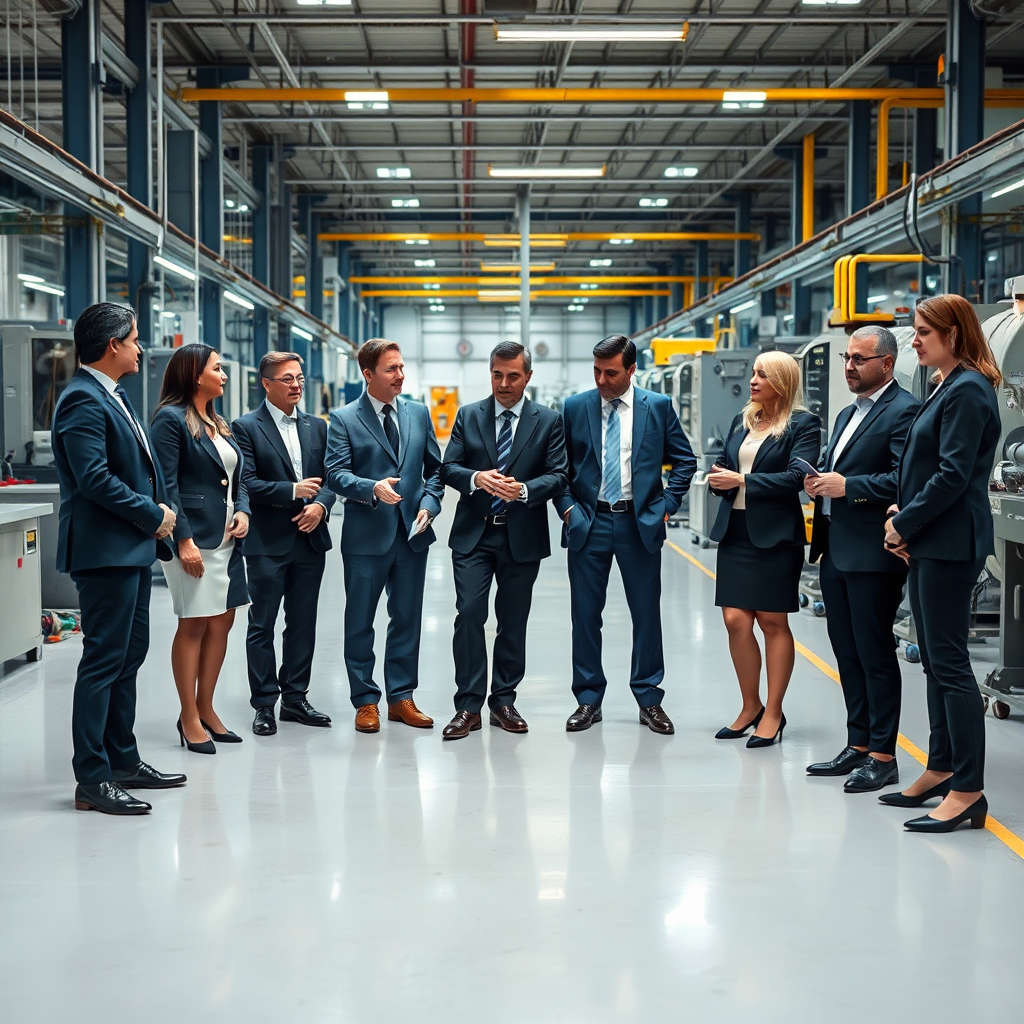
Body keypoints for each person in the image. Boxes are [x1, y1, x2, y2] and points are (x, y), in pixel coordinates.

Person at [51, 303, 186, 815]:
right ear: (112, 346)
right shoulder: (82, 399)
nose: (139, 347)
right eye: (133, 340)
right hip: (104, 551)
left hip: (126, 549)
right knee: (103, 662)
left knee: (128, 657)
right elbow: (94, 479)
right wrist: (153, 514)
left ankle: (123, 759)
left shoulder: (115, 394)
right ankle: (91, 778)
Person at [882, 294, 1001, 833]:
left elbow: (953, 475)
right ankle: (942, 767)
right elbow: (925, 465)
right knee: (932, 657)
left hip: (952, 543)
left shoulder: (969, 390)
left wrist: (905, 523)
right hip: (934, 537)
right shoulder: (944, 386)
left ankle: (968, 791)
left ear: (953, 334)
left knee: (950, 665)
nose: (914, 341)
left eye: (923, 333)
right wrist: (904, 512)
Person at [555, 334, 696, 734]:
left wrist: (665, 507)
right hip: (589, 521)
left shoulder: (658, 407)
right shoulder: (576, 406)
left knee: (646, 614)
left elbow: (684, 460)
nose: (601, 379)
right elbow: (559, 468)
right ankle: (588, 699)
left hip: (639, 523)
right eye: (596, 371)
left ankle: (649, 698)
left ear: (631, 370)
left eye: (611, 372)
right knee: (584, 616)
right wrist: (568, 510)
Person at [804, 327, 920, 791]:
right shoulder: (847, 413)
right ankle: (857, 745)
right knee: (847, 653)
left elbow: (901, 481)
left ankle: (884, 755)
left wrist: (846, 486)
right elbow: (841, 466)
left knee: (874, 654)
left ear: (887, 364)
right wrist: (819, 482)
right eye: (846, 358)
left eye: (859, 359)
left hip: (874, 552)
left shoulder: (904, 411)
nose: (849, 366)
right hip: (835, 548)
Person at [439, 342, 568, 739]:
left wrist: (526, 491)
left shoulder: (548, 421)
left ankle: (503, 702)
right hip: (474, 534)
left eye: (513, 376)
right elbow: (449, 467)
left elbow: (560, 474)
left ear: (528, 377)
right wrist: (476, 478)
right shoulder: (468, 414)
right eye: (497, 374)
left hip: (521, 536)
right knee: (470, 614)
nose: (503, 383)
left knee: (513, 621)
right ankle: (468, 706)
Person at [325, 338, 445, 733]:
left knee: (406, 618)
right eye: (391, 369)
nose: (400, 375)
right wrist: (371, 488)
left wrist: (430, 503)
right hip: (366, 537)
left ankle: (401, 698)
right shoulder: (343, 419)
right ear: (368, 374)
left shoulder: (418, 413)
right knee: (360, 620)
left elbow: (436, 471)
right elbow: (336, 474)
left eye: (401, 367)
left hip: (411, 534)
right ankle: (365, 700)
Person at [707, 351, 821, 748]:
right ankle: (749, 705)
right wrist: (719, 479)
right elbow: (723, 464)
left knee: (773, 623)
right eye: (754, 373)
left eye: (762, 375)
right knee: (735, 620)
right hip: (736, 532)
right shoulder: (745, 420)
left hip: (774, 536)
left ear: (783, 381)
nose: (753, 381)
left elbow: (795, 477)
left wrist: (742, 480)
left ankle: (773, 712)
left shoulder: (804, 424)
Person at [150, 345, 250, 755]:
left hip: (227, 539)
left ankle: (207, 707)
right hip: (193, 540)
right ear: (194, 375)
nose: (224, 375)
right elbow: (165, 486)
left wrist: (243, 510)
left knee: (222, 622)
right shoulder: (170, 421)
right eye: (218, 368)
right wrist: (183, 540)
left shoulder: (217, 422)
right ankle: (188, 715)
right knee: (193, 624)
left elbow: (237, 477)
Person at [232, 352, 336, 736]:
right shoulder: (245, 427)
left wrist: (321, 508)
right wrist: (292, 491)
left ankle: (295, 698)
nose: (296, 385)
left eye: (300, 378)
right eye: (288, 378)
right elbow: (247, 483)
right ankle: (264, 703)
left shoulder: (317, 426)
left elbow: (330, 478)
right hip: (267, 541)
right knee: (262, 624)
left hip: (310, 540)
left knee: (302, 623)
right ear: (267, 383)